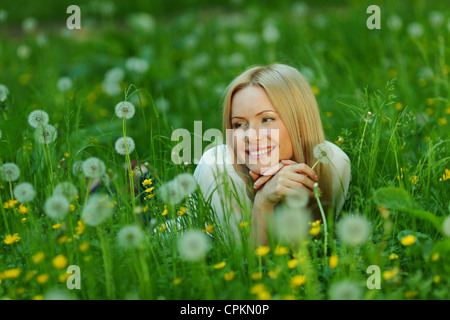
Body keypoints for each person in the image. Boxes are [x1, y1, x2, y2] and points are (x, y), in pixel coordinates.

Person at [193, 63, 351, 246]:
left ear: (300, 122)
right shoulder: (216, 170)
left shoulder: (333, 164)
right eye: (239, 124)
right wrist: (263, 203)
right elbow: (248, 269)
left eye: (267, 119)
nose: (250, 136)